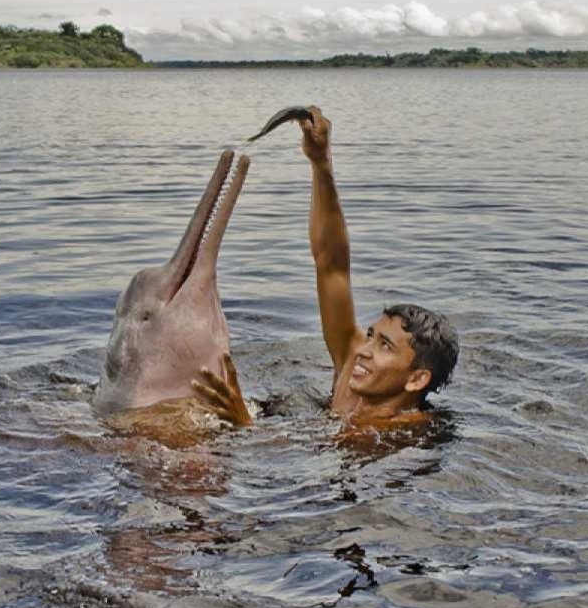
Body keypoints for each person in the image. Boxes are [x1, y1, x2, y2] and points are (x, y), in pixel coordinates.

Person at [192, 106, 459, 431]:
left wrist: (244, 425)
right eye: (371, 336)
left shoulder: (404, 430)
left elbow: (324, 454)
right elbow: (332, 267)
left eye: (384, 346)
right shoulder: (352, 364)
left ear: (416, 379)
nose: (363, 350)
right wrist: (321, 164)